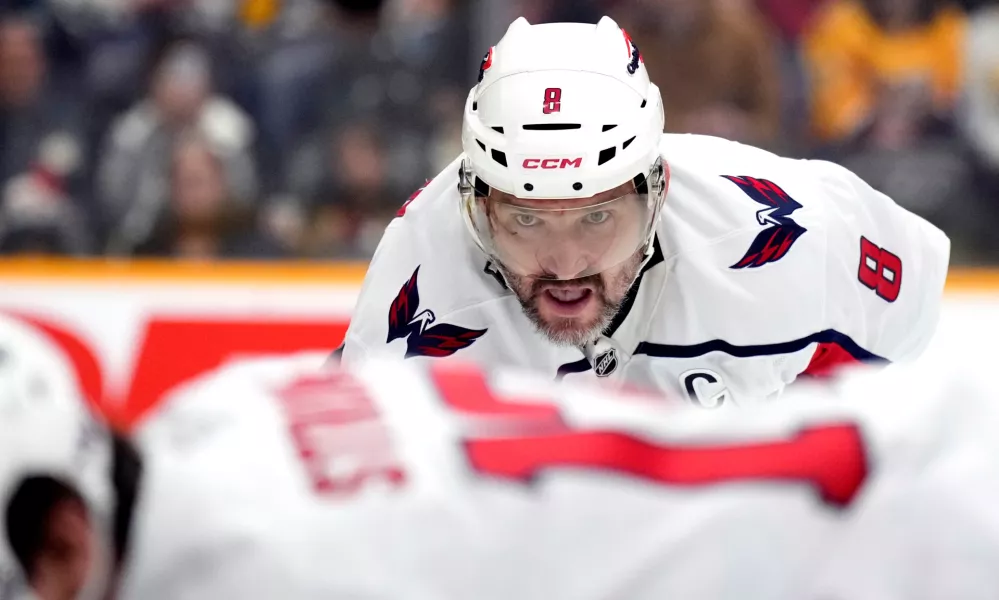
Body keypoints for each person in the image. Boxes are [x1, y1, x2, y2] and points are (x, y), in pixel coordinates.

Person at [6, 329, 999, 599]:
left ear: (63, 534)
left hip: (926, 560)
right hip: (911, 447)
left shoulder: (251, 573)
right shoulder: (223, 403)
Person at [335, 16, 950, 406]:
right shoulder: (418, 294)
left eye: (597, 215)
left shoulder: (795, 232)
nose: (566, 265)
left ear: (659, 187)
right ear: (476, 205)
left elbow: (907, 398)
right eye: (526, 219)